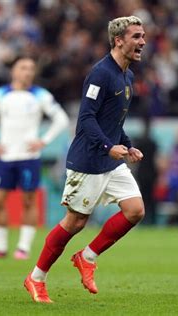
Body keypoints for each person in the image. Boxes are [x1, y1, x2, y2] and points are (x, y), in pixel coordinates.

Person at [24, 16, 146, 303]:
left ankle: (87, 257)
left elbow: (113, 121)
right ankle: (36, 277)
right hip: (89, 160)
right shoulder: (101, 74)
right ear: (119, 40)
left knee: (135, 210)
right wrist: (108, 146)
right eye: (136, 36)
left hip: (110, 159)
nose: (142, 42)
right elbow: (86, 119)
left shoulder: (128, 75)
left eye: (143, 36)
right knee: (75, 222)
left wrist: (127, 146)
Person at [0, 56, 69, 260]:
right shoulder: (1, 94)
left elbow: (61, 119)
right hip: (6, 157)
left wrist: (43, 140)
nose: (28, 72)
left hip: (29, 157)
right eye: (23, 68)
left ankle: (23, 248)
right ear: (14, 72)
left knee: (29, 201)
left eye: (31, 68)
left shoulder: (40, 95)